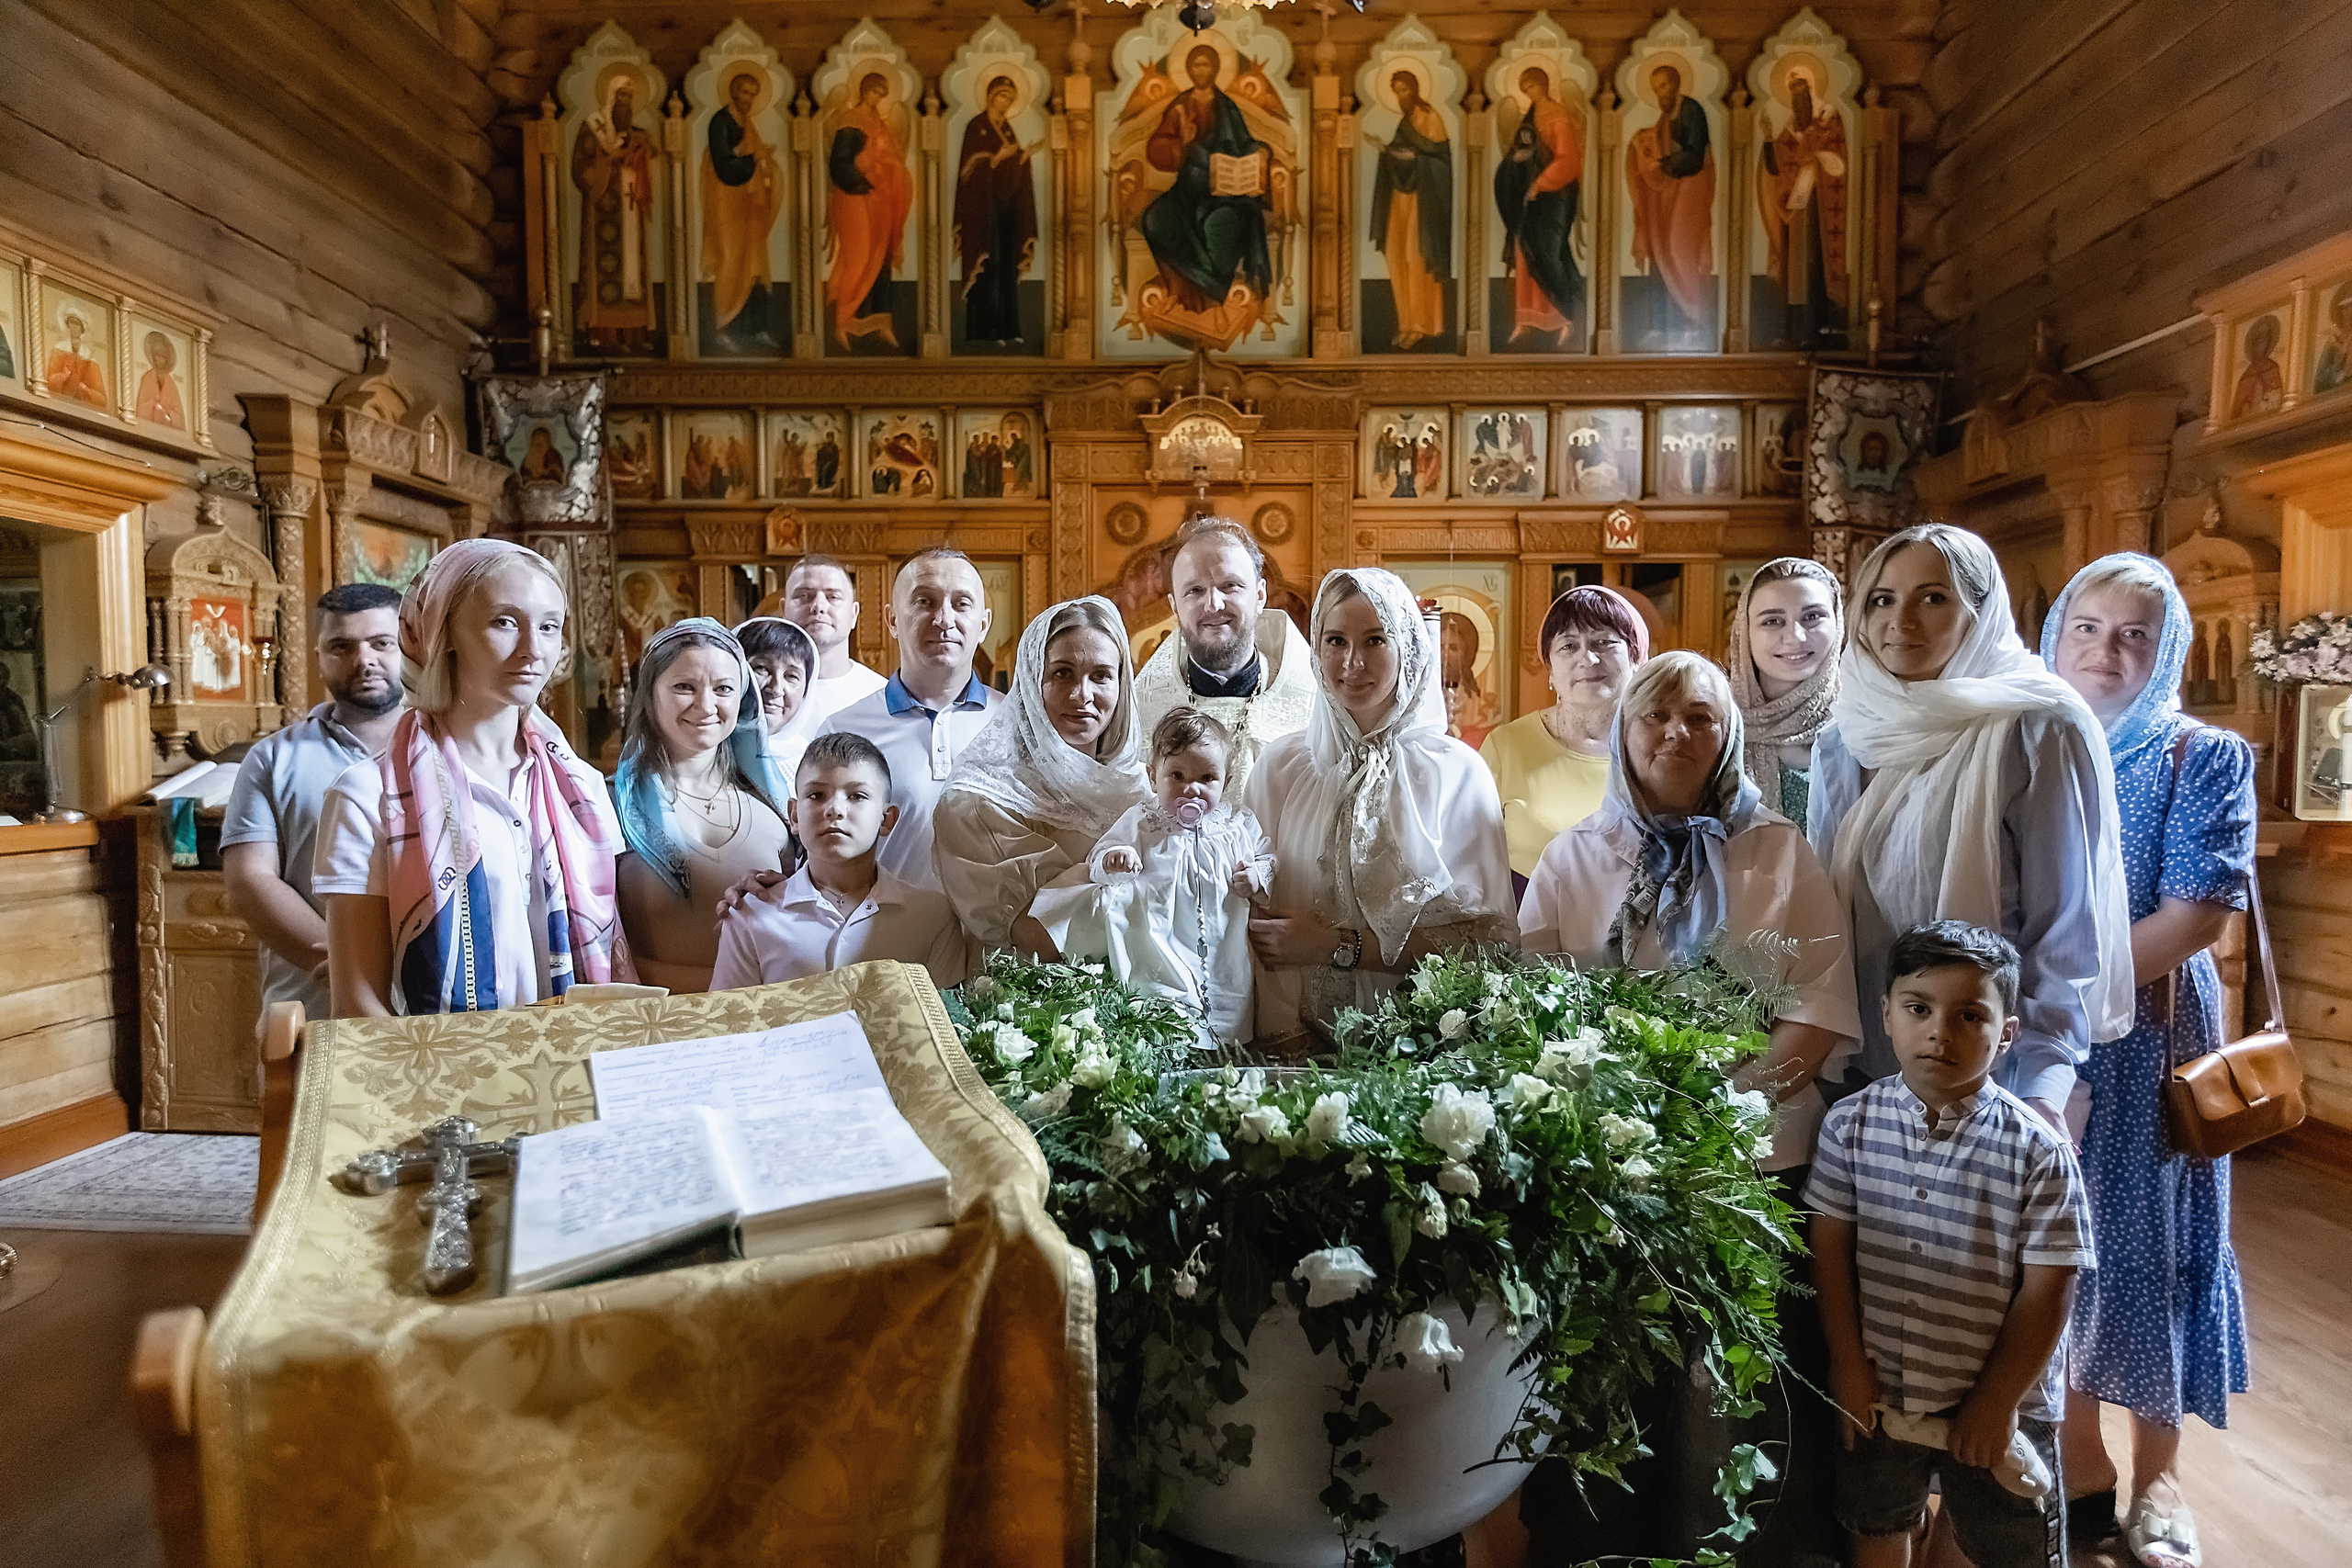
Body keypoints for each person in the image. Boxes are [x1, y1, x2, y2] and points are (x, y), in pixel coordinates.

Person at [1515, 651, 1859, 1568]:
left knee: (1751, 1386)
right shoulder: (1574, 860)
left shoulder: (1777, 852)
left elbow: (1817, 1010)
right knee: (1612, 1378)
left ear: (1729, 735)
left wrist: (1723, 1110)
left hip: (1753, 1160)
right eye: (1653, 717)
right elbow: (1538, 1020)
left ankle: (1760, 1550)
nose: (1675, 734)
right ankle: (1601, 1549)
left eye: (1699, 718)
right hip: (1611, 1167)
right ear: (1623, 734)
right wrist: (1628, 1117)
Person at [2042, 555, 2254, 1568]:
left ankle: (2159, 1472)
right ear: (2052, 633)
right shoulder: (2032, 738)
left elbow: (2197, 914)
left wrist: (2063, 994)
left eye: (2133, 633)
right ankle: (2079, 1459)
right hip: (2044, 1042)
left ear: (2164, 648)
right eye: (2086, 626)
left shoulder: (2198, 754)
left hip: (2149, 1033)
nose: (2105, 650)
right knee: (2064, 1248)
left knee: (2157, 1252)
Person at [1807, 524, 2135, 1134]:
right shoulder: (1847, 733)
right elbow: (1830, 914)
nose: (1900, 619)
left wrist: (2042, 1088)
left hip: (1998, 1075)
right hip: (1869, 1072)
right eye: (1881, 598)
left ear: (1979, 613)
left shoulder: (2038, 727)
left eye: (1933, 597)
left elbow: (2063, 928)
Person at [1808, 920, 2093, 1568]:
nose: (1941, 1031)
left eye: (1970, 1014)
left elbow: (2052, 1287)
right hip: (1882, 1391)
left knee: (2003, 1543)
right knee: (1874, 1524)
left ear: (2007, 1034)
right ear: (1886, 1015)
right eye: (1918, 1008)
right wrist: (1847, 1365)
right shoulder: (1849, 1124)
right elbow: (1829, 1247)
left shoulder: (2038, 1150)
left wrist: (1996, 1401)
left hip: (1999, 1403)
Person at [316, 539, 631, 1016]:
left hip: (578, 1062)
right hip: (439, 1074)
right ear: (444, 633)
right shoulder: (367, 796)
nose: (533, 649)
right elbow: (359, 1004)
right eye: (504, 622)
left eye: (549, 627)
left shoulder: (581, 786)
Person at [1245, 568, 1515, 1049]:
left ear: (1408, 648)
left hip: (1426, 1054)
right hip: (1291, 1052)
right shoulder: (1282, 768)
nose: (1352, 662)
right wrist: (1283, 1036)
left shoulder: (1455, 773)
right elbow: (1251, 919)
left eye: (1375, 640)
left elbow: (1486, 943)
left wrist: (1336, 946)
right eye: (1335, 641)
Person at [220, 585, 405, 1024]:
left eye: (383, 643)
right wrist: (349, 969)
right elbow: (250, 880)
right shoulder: (272, 758)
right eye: (341, 647)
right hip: (311, 1004)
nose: (365, 661)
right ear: (318, 655)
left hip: (439, 1001)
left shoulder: (451, 747)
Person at [1036, 708, 1273, 1043]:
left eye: (1207, 778)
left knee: (1228, 1002)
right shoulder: (1144, 821)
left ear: (1227, 782)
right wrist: (1116, 858)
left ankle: (1225, 1053)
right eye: (1177, 775)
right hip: (1160, 941)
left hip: (1224, 945)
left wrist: (1257, 875)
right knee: (1165, 1011)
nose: (1191, 789)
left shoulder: (1237, 824)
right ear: (1152, 777)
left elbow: (1267, 857)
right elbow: (1099, 859)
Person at [934, 596, 1149, 955]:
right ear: (1032, 684)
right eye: (1062, 673)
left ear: (1122, 686)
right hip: (1032, 1004)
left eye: (1101, 676)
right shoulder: (976, 802)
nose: (1082, 695)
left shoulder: (1145, 789)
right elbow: (1039, 935)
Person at [711, 732, 975, 993]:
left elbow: (946, 1024)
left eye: (857, 796)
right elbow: (728, 1024)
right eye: (816, 795)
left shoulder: (932, 916)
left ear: (886, 819)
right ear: (794, 816)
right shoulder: (752, 914)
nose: (834, 809)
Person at [613, 618, 794, 994]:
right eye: (684, 686)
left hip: (759, 1021)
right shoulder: (611, 805)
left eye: (723, 688)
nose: (706, 705)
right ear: (651, 694)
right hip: (647, 1024)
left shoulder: (775, 807)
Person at [815, 549, 1000, 892]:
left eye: (961, 604)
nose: (944, 619)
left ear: (984, 624)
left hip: (995, 942)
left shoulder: (1016, 724)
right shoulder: (843, 730)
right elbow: (818, 855)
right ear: (892, 620)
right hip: (883, 939)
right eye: (924, 601)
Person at [1479, 584, 1649, 898]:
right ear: (1551, 672)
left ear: (1637, 659)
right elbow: (1472, 865)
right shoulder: (1507, 747)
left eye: (1604, 642)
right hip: (1526, 936)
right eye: (1569, 646)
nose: (1588, 658)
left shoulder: (1658, 747)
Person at [1132, 518, 1318, 800]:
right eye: (1195, 590)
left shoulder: (1314, 705)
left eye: (1229, 585)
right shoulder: (1139, 712)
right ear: (1174, 607)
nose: (1213, 605)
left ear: (1259, 596)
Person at [1140, 44, 1275, 317]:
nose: (1202, 70)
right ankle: (1178, 294)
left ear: (1215, 69)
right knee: (1155, 219)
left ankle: (1213, 298)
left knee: (1219, 226)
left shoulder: (1228, 107)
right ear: (1189, 69)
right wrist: (1182, 143)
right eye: (1197, 65)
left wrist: (1260, 153)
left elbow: (1245, 143)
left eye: (1206, 65)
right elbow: (1156, 147)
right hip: (1188, 189)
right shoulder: (1180, 105)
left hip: (1226, 192)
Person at [1727, 557, 1843, 829]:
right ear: (1745, 632)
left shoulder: (1863, 724)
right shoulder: (1716, 726)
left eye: (1812, 617)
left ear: (1838, 624)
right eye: (1773, 621)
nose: (1795, 637)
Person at [1494, 66, 1584, 350]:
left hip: (1554, 199)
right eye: (1525, 89)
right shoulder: (1529, 120)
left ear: (1543, 86)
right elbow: (1521, 155)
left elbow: (1568, 160)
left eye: (1532, 87)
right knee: (1524, 254)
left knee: (1548, 256)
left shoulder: (1558, 117)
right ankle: (1526, 319)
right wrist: (1516, 164)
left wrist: (1541, 183)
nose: (1529, 93)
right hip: (1529, 200)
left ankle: (1564, 318)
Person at [1626, 62, 1716, 338]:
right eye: (1656, 89)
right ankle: (1665, 322)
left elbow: (1694, 157)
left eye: (1664, 86)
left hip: (1690, 192)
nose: (1660, 93)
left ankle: (1695, 318)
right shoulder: (1664, 120)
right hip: (1667, 195)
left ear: (1676, 83)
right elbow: (1658, 145)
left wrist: (1662, 166)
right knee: (1661, 250)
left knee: (1679, 249)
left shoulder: (1691, 111)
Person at [826, 72, 914, 349]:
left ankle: (880, 323)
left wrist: (889, 173)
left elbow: (893, 157)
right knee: (860, 256)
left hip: (881, 202)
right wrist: (863, 181)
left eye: (881, 93)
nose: (877, 98)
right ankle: (843, 320)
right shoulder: (851, 121)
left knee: (882, 259)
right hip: (856, 198)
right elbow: (839, 163)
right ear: (863, 91)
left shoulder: (881, 124)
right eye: (874, 92)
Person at [571, 77, 660, 353]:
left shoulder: (637, 133)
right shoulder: (593, 130)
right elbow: (580, 170)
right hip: (603, 213)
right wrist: (608, 160)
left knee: (634, 270)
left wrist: (640, 153)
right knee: (604, 271)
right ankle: (602, 333)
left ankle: (634, 334)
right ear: (610, 96)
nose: (626, 102)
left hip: (631, 209)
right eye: (621, 96)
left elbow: (651, 152)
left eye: (630, 97)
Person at [1368, 68, 1452, 350]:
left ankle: (1423, 325)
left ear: (1415, 89)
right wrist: (1388, 152)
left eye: (1404, 89)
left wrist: (1406, 156)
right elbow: (1402, 155)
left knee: (1416, 257)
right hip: (1399, 198)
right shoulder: (1405, 123)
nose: (1400, 96)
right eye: (1396, 91)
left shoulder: (1431, 119)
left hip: (1423, 201)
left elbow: (1439, 159)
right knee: (1395, 255)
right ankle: (1405, 323)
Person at [954, 74, 1039, 345]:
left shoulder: (1008, 129)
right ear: (990, 96)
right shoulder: (976, 126)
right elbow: (968, 172)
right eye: (1002, 97)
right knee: (989, 264)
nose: (1005, 104)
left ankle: (1009, 329)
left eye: (1010, 100)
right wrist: (994, 160)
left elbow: (1011, 170)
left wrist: (1022, 160)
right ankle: (984, 332)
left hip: (1007, 209)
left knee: (1008, 266)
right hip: (983, 212)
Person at [781, 556, 887, 726]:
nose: (818, 606)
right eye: (803, 595)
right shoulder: (762, 693)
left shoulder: (882, 696)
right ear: (783, 611)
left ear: (854, 614)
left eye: (833, 597)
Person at [734, 615, 820, 790]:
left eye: (791, 676)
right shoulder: (705, 754)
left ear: (806, 692)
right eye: (762, 669)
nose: (776, 689)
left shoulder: (816, 765)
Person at [134, 332, 185, 428]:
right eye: (157, 355)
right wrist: (153, 406)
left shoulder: (171, 383)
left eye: (162, 356)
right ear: (153, 357)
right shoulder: (147, 378)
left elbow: (179, 415)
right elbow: (141, 407)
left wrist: (168, 415)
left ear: (167, 359)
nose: (159, 359)